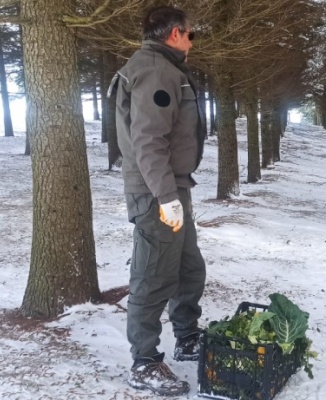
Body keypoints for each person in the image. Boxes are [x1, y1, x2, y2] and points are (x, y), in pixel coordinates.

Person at [110, 6, 206, 396]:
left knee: (187, 269)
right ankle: (144, 362)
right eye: (190, 34)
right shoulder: (155, 71)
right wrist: (165, 197)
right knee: (153, 278)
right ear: (174, 34)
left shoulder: (164, 67)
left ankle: (186, 336)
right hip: (156, 193)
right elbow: (149, 141)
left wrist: (175, 193)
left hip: (172, 188)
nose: (191, 41)